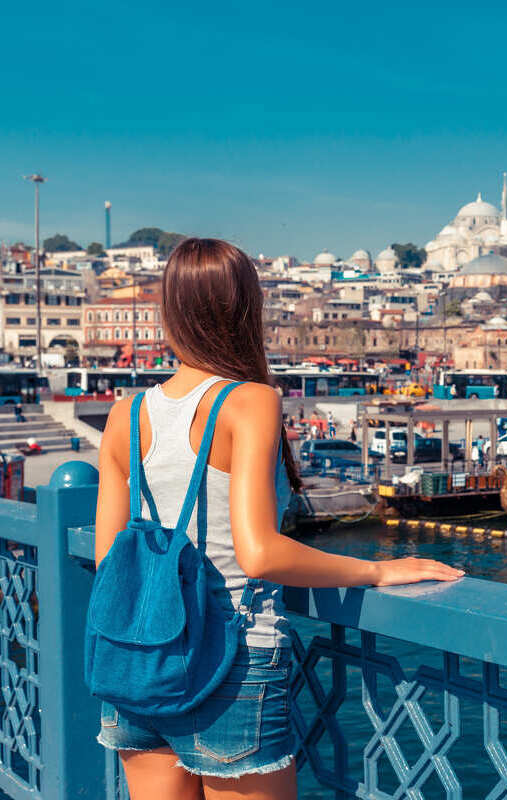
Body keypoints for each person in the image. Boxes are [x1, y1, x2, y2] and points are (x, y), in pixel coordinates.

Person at [93, 239, 463, 800]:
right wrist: (378, 572)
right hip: (231, 661)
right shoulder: (249, 402)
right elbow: (259, 553)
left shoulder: (125, 416)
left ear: (168, 310)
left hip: (138, 661)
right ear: (245, 309)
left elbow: (109, 562)